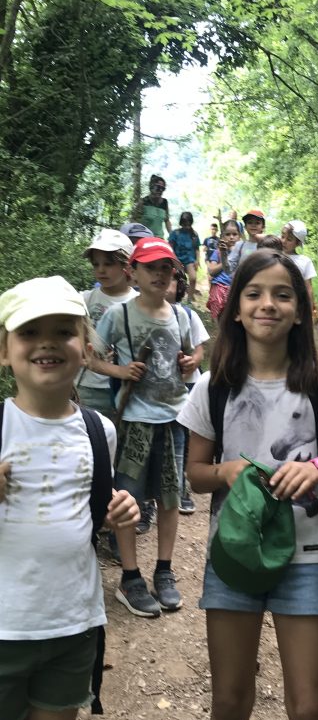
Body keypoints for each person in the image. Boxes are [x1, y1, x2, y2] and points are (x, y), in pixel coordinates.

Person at [177, 250, 318, 720]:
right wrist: (226, 471)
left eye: (283, 295)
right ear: (235, 308)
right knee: (230, 702)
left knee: (309, 707)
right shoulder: (213, 388)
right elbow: (196, 475)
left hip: (307, 556)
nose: (268, 304)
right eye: (254, 294)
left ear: (300, 311)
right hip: (233, 554)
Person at [0, 276, 139, 720]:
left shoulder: (99, 431)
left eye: (63, 331)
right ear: (5, 351)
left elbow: (91, 507)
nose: (47, 342)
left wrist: (117, 509)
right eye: (29, 332)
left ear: (86, 349)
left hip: (73, 627)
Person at [91, 237, 195, 617]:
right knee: (127, 499)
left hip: (174, 421)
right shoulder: (118, 315)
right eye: (150, 267)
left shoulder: (181, 315)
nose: (160, 274)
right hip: (134, 420)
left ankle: (164, 571)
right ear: (132, 272)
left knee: (170, 499)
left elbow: (193, 354)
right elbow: (90, 356)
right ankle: (130, 578)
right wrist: (120, 371)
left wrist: (190, 362)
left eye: (166, 267)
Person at [78, 228, 138, 420]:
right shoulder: (85, 300)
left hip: (126, 387)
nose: (101, 270)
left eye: (108, 264)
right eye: (96, 264)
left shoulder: (138, 302)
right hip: (87, 386)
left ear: (127, 265)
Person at [165, 268, 209, 514]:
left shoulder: (187, 314)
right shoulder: (142, 314)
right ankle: (170, 487)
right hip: (162, 387)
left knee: (184, 434)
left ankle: (182, 486)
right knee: (170, 436)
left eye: (170, 280)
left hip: (188, 384)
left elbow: (199, 348)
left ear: (180, 286)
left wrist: (193, 361)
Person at [280, 220, 318, 317]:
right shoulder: (274, 256)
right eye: (282, 236)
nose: (284, 241)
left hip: (297, 305)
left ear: (298, 243)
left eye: (289, 239)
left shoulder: (305, 261)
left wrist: (310, 311)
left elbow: (308, 288)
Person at [205, 219, 240, 321]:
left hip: (235, 290)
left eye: (234, 234)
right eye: (227, 234)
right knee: (219, 319)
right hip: (219, 288)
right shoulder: (218, 252)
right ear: (223, 237)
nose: (231, 237)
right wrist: (226, 259)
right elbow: (211, 271)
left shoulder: (242, 253)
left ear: (239, 236)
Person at [169, 212, 201, 303]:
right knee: (179, 280)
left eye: (188, 223)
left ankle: (189, 299)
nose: (186, 226)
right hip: (177, 259)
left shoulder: (194, 234)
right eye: (185, 224)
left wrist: (197, 260)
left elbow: (197, 249)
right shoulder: (175, 233)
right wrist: (175, 260)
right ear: (181, 223)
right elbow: (170, 248)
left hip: (189, 260)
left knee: (193, 278)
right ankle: (176, 299)